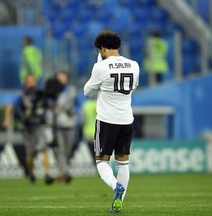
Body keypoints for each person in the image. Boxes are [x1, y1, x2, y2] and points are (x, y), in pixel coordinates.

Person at [83, 31, 140, 213]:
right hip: (127, 120)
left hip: (107, 121)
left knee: (101, 162)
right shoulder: (134, 65)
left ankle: (116, 186)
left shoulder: (100, 67)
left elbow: (87, 92)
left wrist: (99, 64)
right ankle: (119, 203)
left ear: (103, 49)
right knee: (123, 162)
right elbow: (133, 88)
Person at [3, 73, 54, 185]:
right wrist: (8, 119)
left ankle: (47, 174)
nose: (31, 82)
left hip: (40, 125)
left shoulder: (41, 93)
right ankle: (31, 173)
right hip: (28, 127)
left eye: (33, 80)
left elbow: (50, 105)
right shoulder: (22, 95)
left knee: (43, 149)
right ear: (26, 82)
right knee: (30, 153)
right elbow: (10, 106)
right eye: (29, 80)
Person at [47, 71, 77, 183]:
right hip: (58, 125)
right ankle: (65, 173)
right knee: (60, 150)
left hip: (70, 124)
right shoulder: (52, 91)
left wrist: (74, 112)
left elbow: (76, 105)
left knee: (67, 151)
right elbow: (49, 105)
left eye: (63, 78)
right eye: (59, 78)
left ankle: (61, 172)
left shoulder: (71, 90)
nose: (61, 80)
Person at [81, 99, 97, 164]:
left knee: (92, 153)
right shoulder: (98, 104)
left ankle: (97, 167)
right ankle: (101, 168)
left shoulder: (85, 105)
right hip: (97, 132)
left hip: (87, 132)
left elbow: (82, 120)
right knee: (99, 153)